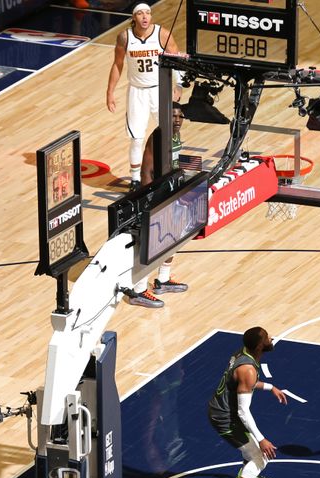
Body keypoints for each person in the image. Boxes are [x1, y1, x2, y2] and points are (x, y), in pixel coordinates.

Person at [208, 327, 288, 478]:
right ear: (261, 345)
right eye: (267, 337)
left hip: (226, 411)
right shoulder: (248, 369)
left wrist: (270, 387)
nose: (271, 338)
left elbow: (245, 383)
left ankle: (246, 473)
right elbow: (243, 412)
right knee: (261, 457)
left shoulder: (243, 353)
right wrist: (262, 439)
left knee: (251, 452)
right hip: (225, 418)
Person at [106, 3, 182, 191]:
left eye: (148, 13)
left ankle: (174, 168)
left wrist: (178, 84)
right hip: (136, 91)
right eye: (140, 14)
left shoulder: (162, 34)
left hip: (159, 88)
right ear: (134, 18)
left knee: (170, 131)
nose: (145, 17)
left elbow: (177, 58)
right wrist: (110, 92)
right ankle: (134, 180)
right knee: (137, 138)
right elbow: (117, 64)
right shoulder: (125, 37)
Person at [125, 102, 189, 308]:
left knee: (174, 238)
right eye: (173, 117)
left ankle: (162, 279)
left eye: (180, 117)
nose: (177, 120)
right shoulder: (159, 135)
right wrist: (148, 200)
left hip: (173, 191)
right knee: (155, 242)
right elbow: (146, 170)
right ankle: (139, 290)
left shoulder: (175, 134)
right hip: (159, 195)